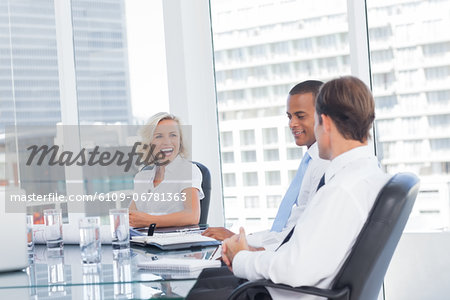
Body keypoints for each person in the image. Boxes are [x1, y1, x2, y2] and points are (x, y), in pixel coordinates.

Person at [187, 76, 391, 300]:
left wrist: (242, 258)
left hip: (293, 293)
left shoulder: (341, 189)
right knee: (208, 280)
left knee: (200, 292)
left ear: (326, 122)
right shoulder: (367, 174)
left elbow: (294, 269)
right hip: (310, 286)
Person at [203, 80, 329, 251]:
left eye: (300, 116)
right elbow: (284, 232)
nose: (292, 124)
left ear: (323, 116)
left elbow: (298, 238)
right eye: (289, 117)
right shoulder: (311, 161)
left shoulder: (323, 165)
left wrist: (246, 249)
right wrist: (239, 239)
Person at [129, 112, 204, 227]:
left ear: (180, 140)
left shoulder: (188, 171)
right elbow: (130, 218)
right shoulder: (142, 177)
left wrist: (150, 221)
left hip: (176, 242)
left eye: (173, 135)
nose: (167, 142)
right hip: (144, 242)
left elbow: (192, 216)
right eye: (159, 136)